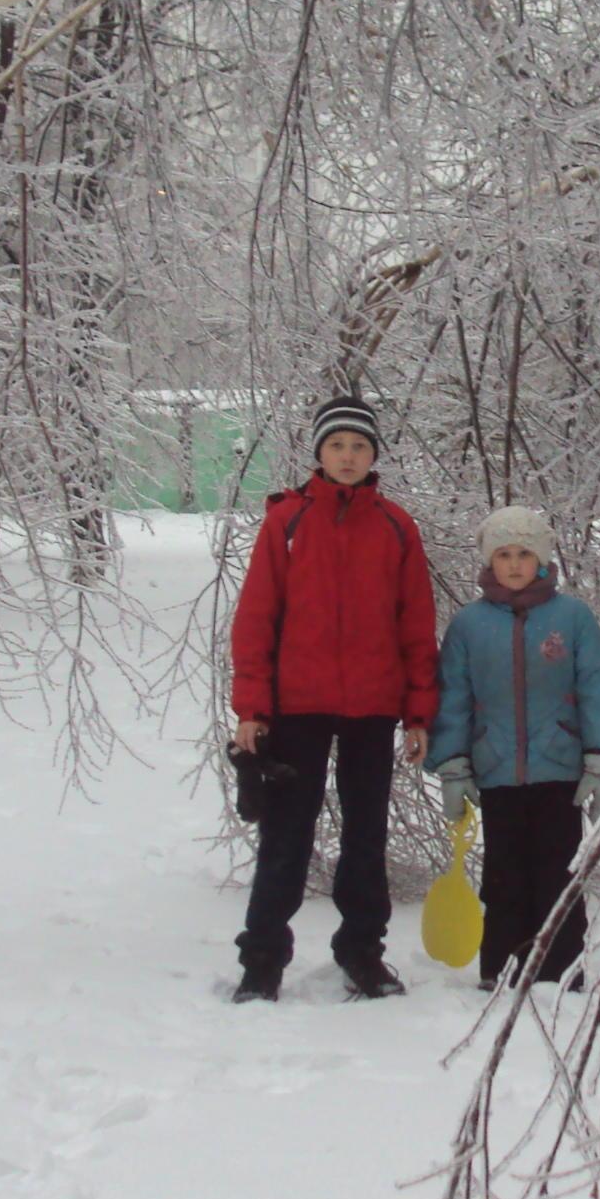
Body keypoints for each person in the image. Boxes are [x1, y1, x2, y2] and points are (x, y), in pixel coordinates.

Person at [227, 394, 439, 1003]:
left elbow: (416, 625)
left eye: (360, 446)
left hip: (373, 708)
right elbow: (257, 618)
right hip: (298, 706)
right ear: (319, 452)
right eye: (337, 445)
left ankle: (363, 954)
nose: (348, 457)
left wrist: (418, 712)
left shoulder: (397, 526)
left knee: (366, 837)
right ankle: (262, 961)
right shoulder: (287, 522)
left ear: (375, 455)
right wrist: (251, 708)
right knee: (287, 835)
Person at [425, 505, 600, 989]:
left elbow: (599, 686)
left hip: (560, 771)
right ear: (488, 562)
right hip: (495, 772)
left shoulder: (572, 618)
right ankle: (502, 967)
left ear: (541, 560)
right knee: (503, 877)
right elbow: (453, 697)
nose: (514, 564)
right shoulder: (469, 626)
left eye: (523, 553)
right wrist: (454, 765)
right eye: (503, 554)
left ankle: (561, 970)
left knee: (559, 874)